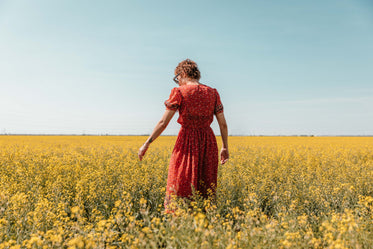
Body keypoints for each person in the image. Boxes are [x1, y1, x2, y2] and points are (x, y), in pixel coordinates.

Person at [138, 59, 228, 213]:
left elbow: (163, 123)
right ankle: (205, 223)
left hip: (187, 141)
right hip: (209, 142)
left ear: (184, 73)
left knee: (180, 182)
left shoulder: (179, 92)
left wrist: (147, 143)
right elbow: (223, 124)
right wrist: (225, 147)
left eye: (177, 77)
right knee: (205, 185)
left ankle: (179, 220)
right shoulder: (213, 93)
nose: (177, 81)